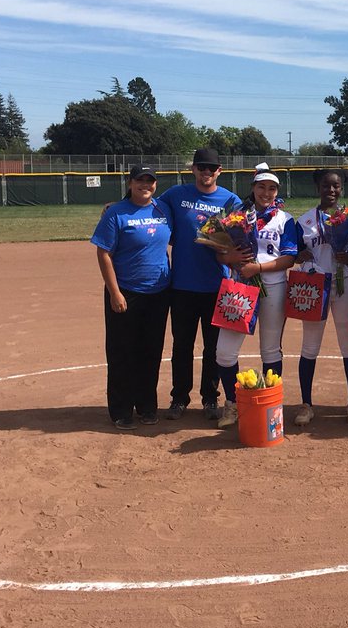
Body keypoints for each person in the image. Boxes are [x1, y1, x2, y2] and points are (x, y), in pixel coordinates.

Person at [158, 148, 242, 422]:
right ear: (193, 169)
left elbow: (243, 235)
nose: (207, 172)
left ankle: (210, 398)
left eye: (212, 168)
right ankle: (179, 398)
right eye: (201, 167)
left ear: (220, 170)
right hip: (182, 284)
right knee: (182, 345)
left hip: (217, 285)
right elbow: (148, 206)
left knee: (213, 347)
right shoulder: (175, 195)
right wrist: (117, 205)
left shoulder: (230, 200)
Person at [90, 165, 172, 429]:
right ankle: (121, 410)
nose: (145, 185)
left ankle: (147, 406)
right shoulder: (116, 213)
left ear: (156, 184)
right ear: (130, 183)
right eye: (140, 181)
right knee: (122, 352)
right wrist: (115, 292)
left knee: (151, 352)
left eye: (150, 181)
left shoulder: (163, 209)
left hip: (158, 292)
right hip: (126, 291)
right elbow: (104, 253)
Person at [215, 164, 298, 427]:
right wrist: (230, 258)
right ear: (252, 189)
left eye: (272, 188)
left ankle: (272, 402)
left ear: (277, 192)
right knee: (224, 352)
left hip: (273, 285)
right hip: (240, 286)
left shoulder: (284, 219)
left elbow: (289, 258)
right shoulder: (236, 216)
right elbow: (219, 250)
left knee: (270, 349)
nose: (266, 192)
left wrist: (258, 268)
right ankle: (232, 403)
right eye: (261, 187)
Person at [293, 168, 348, 424]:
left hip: (343, 286)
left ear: (341, 188)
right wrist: (298, 256)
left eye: (335, 186)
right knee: (309, 346)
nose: (331, 190)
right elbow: (293, 251)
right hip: (314, 289)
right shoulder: (303, 221)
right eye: (326, 186)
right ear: (318, 188)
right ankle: (306, 404)